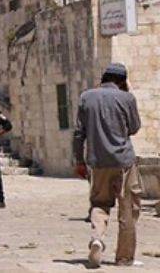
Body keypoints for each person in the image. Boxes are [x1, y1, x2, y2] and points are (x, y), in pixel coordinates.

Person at [73, 62, 143, 268]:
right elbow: (134, 127)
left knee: (99, 203)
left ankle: (97, 239)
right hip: (124, 161)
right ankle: (124, 258)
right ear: (122, 80)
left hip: (97, 161)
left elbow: (79, 134)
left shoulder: (86, 97)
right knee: (128, 208)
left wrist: (79, 161)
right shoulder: (127, 98)